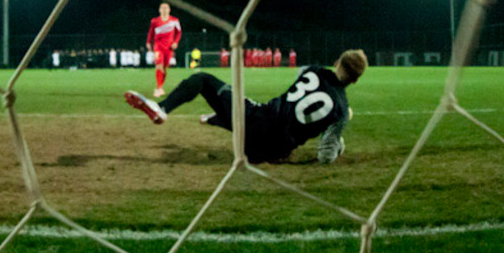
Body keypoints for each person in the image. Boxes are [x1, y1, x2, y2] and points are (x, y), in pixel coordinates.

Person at [124, 49, 367, 165]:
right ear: (356, 80)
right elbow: (325, 156)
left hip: (255, 124)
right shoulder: (341, 110)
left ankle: (163, 109)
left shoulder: (315, 71)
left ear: (336, 62)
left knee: (203, 80)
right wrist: (339, 136)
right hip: (271, 154)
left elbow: (305, 82)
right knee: (254, 116)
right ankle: (217, 117)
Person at [146, 2, 182, 97]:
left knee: (165, 68)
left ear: (169, 10)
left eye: (166, 8)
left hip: (169, 47)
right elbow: (151, 32)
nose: (164, 9)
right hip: (158, 46)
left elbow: (178, 33)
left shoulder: (175, 20)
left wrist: (175, 42)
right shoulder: (154, 21)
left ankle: (160, 86)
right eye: (162, 8)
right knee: (159, 66)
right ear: (159, 10)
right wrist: (148, 42)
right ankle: (159, 88)